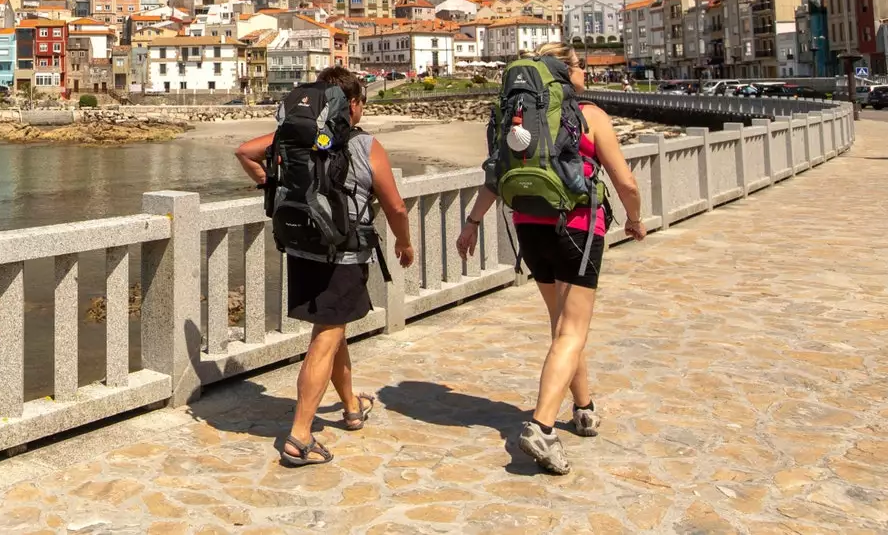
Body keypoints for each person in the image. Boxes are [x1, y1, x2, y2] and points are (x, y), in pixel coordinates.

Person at [455, 42, 646, 475]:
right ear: (568, 70)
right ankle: (541, 427)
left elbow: (496, 173)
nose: (585, 74)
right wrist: (635, 219)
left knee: (561, 325)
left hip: (528, 225)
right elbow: (626, 181)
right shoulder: (589, 116)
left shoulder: (520, 115)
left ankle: (583, 406)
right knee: (573, 330)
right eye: (582, 67)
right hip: (577, 229)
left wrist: (472, 222)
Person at [235, 65, 414, 467]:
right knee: (325, 338)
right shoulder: (365, 145)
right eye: (362, 103)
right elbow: (396, 206)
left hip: (301, 247)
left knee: (333, 331)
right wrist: (404, 243)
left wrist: (269, 182)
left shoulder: (289, 136)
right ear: (352, 103)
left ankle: (351, 406)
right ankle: (300, 435)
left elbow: (244, 151)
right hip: (344, 253)